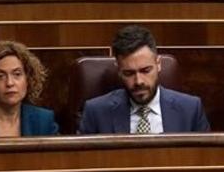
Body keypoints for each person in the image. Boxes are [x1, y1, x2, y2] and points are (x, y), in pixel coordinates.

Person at [78, 25, 210, 134]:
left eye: (145, 70)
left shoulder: (190, 109)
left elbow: (204, 161)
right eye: (129, 73)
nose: (138, 81)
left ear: (158, 64)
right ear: (118, 70)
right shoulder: (95, 112)